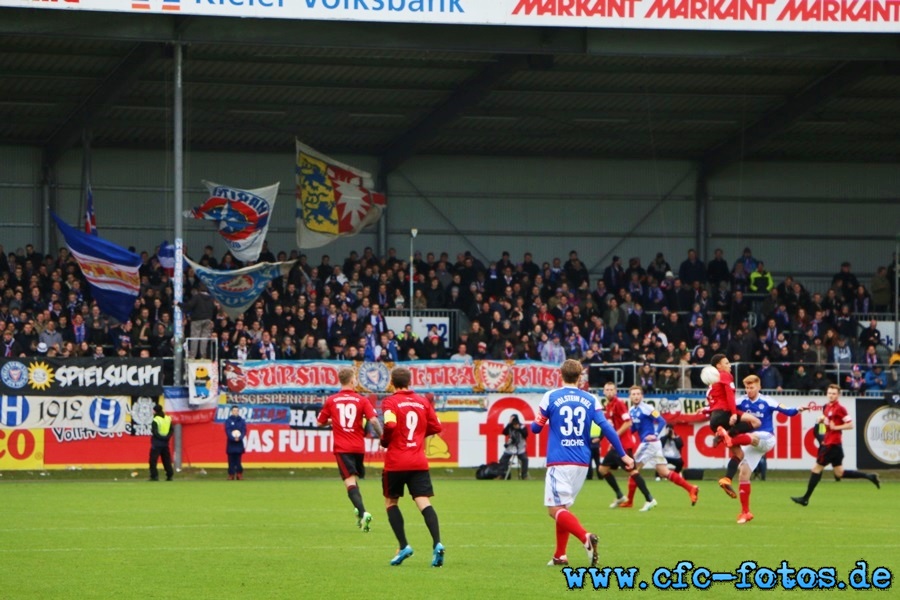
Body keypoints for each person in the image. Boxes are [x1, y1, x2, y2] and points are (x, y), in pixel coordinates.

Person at [531, 360, 633, 567]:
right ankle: (560, 555)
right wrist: (623, 454)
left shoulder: (551, 396)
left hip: (559, 460)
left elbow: (535, 429)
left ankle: (585, 537)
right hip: (582, 461)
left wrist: (538, 421)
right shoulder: (591, 399)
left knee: (554, 509)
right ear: (580, 377)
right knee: (563, 507)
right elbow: (607, 428)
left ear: (560, 374)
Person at [380, 367, 444, 567]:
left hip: (396, 462)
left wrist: (385, 440)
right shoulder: (422, 402)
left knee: (391, 502)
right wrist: (416, 438)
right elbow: (436, 426)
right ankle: (437, 544)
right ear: (410, 381)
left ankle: (403, 545)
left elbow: (390, 425)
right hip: (418, 461)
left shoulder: (390, 402)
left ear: (392, 382)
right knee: (423, 502)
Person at [732, 375, 807, 524]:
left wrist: (797, 409)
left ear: (759, 387)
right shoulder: (741, 401)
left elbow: (787, 411)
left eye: (751, 387)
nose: (749, 390)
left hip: (766, 438)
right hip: (753, 443)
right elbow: (726, 407)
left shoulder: (767, 400)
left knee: (749, 435)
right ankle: (745, 512)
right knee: (743, 474)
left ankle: (729, 439)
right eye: (746, 387)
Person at [317, 367, 383, 532]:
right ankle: (360, 515)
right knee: (354, 479)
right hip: (358, 448)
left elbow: (319, 422)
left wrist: (334, 421)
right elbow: (374, 421)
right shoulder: (362, 400)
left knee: (349, 482)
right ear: (352, 380)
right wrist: (383, 437)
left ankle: (363, 512)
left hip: (342, 448)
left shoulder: (332, 400)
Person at [792, 384, 880, 506]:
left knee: (816, 469)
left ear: (838, 395)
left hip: (831, 444)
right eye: (829, 393)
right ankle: (869, 476)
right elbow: (829, 419)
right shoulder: (827, 407)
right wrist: (823, 420)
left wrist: (836, 427)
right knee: (839, 473)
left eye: (834, 393)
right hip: (835, 445)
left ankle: (805, 498)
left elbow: (850, 424)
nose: (831, 395)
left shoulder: (840, 409)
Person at [628, 386, 699, 510]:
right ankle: (690, 488)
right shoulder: (631, 411)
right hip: (652, 445)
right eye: (633, 394)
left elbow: (662, 421)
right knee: (664, 472)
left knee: (633, 470)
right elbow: (634, 428)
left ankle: (630, 501)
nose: (636, 396)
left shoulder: (647, 408)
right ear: (630, 396)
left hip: (649, 443)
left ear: (642, 396)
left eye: (638, 394)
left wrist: (655, 434)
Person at [597, 382, 652, 510]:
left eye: (612, 389)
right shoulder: (609, 406)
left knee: (633, 471)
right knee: (603, 469)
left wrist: (614, 437)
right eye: (607, 390)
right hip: (617, 446)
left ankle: (649, 499)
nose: (609, 392)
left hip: (624, 445)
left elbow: (628, 423)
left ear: (616, 391)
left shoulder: (619, 404)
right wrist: (602, 439)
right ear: (604, 392)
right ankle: (620, 496)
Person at [706, 354, 754, 498]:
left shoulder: (711, 382)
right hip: (724, 415)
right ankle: (726, 435)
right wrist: (734, 413)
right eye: (726, 363)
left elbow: (711, 400)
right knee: (753, 422)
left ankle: (726, 479)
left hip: (714, 420)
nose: (730, 365)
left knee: (739, 454)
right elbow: (729, 396)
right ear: (719, 366)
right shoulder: (725, 375)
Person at [180, 282, 217, 359]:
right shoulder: (211, 299)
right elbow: (215, 309)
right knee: (204, 338)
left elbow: (189, 306)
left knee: (195, 337)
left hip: (197, 320)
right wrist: (211, 319)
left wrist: (179, 304)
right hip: (208, 320)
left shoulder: (197, 297)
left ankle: (193, 356)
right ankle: (203, 355)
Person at [498, 414, 529, 480]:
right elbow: (504, 432)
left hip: (520, 448)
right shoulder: (509, 426)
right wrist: (509, 423)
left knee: (525, 459)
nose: (514, 424)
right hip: (511, 448)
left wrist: (519, 429)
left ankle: (524, 475)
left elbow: (526, 435)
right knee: (503, 460)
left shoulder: (522, 426)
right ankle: (503, 474)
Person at [149, 404, 174, 481]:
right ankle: (169, 475)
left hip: (157, 443)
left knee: (153, 460)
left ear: (155, 411)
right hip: (166, 443)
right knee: (166, 460)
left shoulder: (156, 420)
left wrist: (161, 438)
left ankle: (154, 476)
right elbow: (171, 430)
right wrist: (167, 438)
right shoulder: (168, 418)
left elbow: (155, 432)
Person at [224, 405, 247, 480]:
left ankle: (239, 474)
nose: (235, 412)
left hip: (239, 443)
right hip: (231, 443)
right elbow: (228, 431)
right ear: (231, 411)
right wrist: (233, 438)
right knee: (231, 461)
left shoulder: (242, 421)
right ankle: (231, 474)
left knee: (238, 460)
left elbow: (244, 431)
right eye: (234, 410)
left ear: (238, 411)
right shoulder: (228, 421)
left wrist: (239, 438)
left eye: (237, 411)